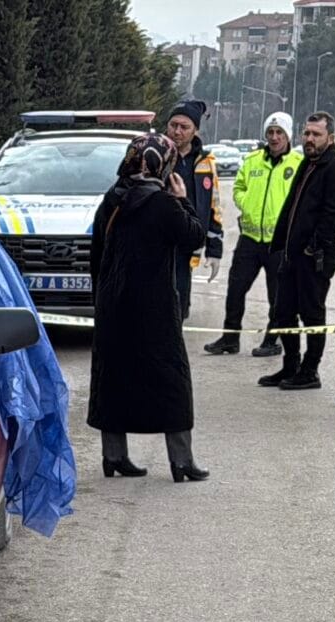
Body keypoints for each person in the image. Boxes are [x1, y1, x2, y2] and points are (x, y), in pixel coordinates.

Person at [86, 134, 208, 482]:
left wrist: (103, 297)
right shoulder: (163, 204)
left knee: (113, 377)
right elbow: (194, 237)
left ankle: (114, 455)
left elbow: (97, 253)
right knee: (172, 381)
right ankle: (181, 461)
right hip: (154, 307)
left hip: (113, 302)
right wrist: (184, 200)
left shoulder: (112, 200)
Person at [259, 112, 335, 393]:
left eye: (316, 134)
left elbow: (332, 217)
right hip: (291, 254)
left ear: (330, 138)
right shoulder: (308, 162)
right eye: (307, 133)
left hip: (315, 256)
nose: (309, 139)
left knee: (312, 314)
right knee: (283, 311)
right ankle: (291, 365)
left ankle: (310, 370)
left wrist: (313, 249)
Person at [207, 111, 301, 357]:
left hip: (279, 243)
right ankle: (230, 338)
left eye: (279, 132)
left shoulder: (298, 165)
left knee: (277, 296)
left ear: (288, 135)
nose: (274, 137)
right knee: (235, 289)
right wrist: (245, 202)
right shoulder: (252, 160)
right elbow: (239, 187)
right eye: (270, 132)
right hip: (249, 238)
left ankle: (272, 340)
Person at [160, 99, 223, 316]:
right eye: (173, 125)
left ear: (195, 130)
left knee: (179, 306)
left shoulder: (206, 162)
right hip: (157, 242)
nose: (177, 131)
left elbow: (214, 205)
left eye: (184, 127)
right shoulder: (157, 156)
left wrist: (215, 249)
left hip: (186, 244)